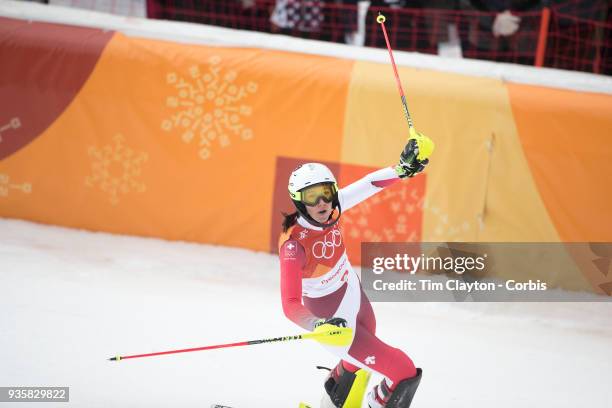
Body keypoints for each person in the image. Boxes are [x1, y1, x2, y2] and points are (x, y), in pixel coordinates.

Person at [278, 137, 429, 407]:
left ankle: (332, 400)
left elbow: (370, 184)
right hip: (332, 319)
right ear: (299, 202)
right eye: (312, 196)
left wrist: (402, 168)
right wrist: (317, 325)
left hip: (354, 296)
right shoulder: (294, 245)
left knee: (355, 363)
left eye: (326, 191)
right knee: (403, 370)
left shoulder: (332, 208)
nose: (322, 201)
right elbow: (290, 305)